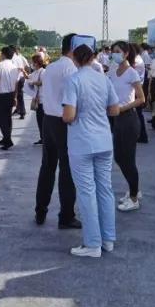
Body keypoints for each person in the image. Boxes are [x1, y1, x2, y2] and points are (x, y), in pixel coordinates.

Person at [62, 35, 121, 257]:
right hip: (104, 140)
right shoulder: (104, 79)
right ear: (93, 57)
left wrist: (70, 115)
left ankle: (92, 244)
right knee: (105, 190)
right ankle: (108, 239)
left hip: (82, 143)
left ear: (75, 59)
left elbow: (69, 116)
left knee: (87, 193)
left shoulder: (74, 80)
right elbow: (114, 110)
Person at [35, 34, 81, 229]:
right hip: (64, 122)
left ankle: (40, 210)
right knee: (67, 169)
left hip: (49, 120)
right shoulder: (71, 69)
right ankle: (66, 216)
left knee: (47, 167)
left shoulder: (51, 67)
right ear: (73, 47)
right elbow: (75, 97)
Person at [109, 40, 146, 212]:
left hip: (129, 118)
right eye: (113, 51)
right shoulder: (112, 71)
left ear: (125, 54)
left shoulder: (132, 73)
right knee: (119, 156)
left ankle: (134, 198)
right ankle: (134, 189)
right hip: (117, 119)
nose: (114, 54)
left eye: (117, 51)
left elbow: (141, 99)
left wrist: (122, 108)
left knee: (129, 160)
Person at [0, 46, 20, 150]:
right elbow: (16, 83)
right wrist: (15, 97)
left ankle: (8, 140)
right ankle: (6, 137)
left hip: (1, 95)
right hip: (11, 94)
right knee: (8, 117)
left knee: (1, 118)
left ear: (3, 54)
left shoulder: (0, 65)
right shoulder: (14, 67)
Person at [130, 44, 150, 144]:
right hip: (136, 89)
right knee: (137, 114)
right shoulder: (137, 59)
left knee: (138, 114)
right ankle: (141, 135)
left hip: (136, 90)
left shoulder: (136, 61)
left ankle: (142, 135)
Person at [28, 53, 48, 145]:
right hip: (37, 99)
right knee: (39, 121)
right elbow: (29, 78)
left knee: (43, 121)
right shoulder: (35, 72)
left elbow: (43, 82)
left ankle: (45, 139)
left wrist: (33, 83)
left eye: (33, 62)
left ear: (36, 63)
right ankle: (42, 138)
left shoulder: (43, 72)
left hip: (43, 100)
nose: (32, 64)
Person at [11, 47, 30, 118]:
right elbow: (27, 66)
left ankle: (22, 111)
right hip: (21, 77)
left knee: (17, 95)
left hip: (16, 78)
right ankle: (19, 109)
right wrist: (26, 73)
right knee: (19, 95)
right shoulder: (20, 57)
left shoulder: (13, 57)